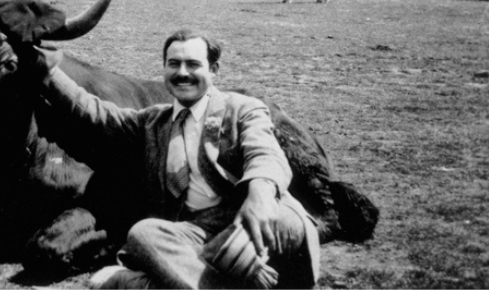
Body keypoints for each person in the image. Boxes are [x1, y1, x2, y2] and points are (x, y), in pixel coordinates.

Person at [32, 30, 320, 289]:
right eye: (174, 64)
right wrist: (45, 66)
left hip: (250, 221)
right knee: (143, 234)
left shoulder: (243, 108)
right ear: (165, 69)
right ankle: (222, 279)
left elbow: (264, 153)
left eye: (193, 64)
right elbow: (94, 111)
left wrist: (261, 195)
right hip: (194, 233)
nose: (183, 73)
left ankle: (150, 282)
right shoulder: (152, 122)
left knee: (286, 218)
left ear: (214, 69)